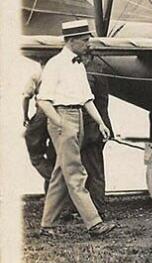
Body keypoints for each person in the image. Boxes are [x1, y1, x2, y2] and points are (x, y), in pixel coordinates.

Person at [36, 20, 115, 238]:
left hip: (78, 116)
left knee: (62, 173)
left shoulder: (78, 65)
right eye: (85, 40)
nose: (88, 43)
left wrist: (100, 123)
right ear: (71, 41)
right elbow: (43, 100)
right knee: (76, 173)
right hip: (62, 118)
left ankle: (47, 225)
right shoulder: (55, 64)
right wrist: (60, 123)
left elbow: (87, 99)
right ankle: (94, 222)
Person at [81, 57, 114, 216]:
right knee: (93, 168)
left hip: (92, 127)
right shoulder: (99, 67)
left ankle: (96, 210)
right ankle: (91, 207)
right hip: (100, 124)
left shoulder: (89, 72)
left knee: (93, 170)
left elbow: (87, 98)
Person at [22, 63, 57, 192]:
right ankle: (55, 186)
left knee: (35, 151)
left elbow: (26, 96)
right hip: (60, 112)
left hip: (43, 112)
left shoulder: (37, 75)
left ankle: (54, 179)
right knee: (55, 152)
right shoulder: (62, 73)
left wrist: (25, 116)